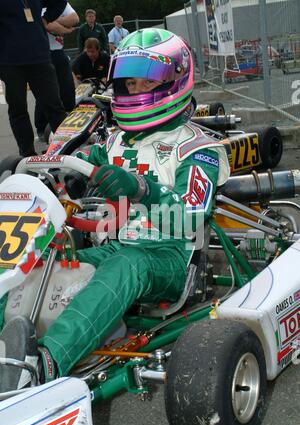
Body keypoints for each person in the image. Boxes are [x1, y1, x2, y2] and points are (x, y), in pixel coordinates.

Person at [0, 28, 230, 388]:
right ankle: (6, 351)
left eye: (143, 82)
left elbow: (190, 217)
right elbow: (74, 162)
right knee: (42, 263)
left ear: (174, 81)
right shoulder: (115, 141)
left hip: (169, 258)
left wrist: (142, 188)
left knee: (127, 265)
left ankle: (45, 363)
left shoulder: (197, 149)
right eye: (128, 83)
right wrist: (48, 170)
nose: (134, 91)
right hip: (115, 247)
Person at [0, 0, 68, 158]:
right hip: (10, 63)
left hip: (40, 58)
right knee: (18, 110)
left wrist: (46, 18)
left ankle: (67, 148)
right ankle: (28, 155)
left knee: (54, 106)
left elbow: (60, 2)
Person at [34, 2, 79, 141]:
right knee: (45, 92)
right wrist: (65, 29)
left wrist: (52, 21)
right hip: (42, 53)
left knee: (68, 89)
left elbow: (75, 19)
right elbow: (47, 25)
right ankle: (41, 127)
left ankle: (70, 124)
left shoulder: (60, 3)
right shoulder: (35, 5)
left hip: (58, 52)